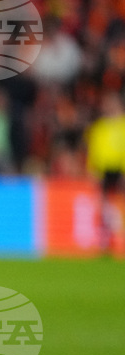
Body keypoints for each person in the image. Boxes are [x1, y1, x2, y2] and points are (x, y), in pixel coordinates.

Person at [86, 91, 125, 255]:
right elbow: (93, 150)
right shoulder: (99, 126)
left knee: (119, 203)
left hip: (120, 168)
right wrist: (92, 169)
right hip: (104, 170)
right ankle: (105, 241)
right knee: (103, 205)